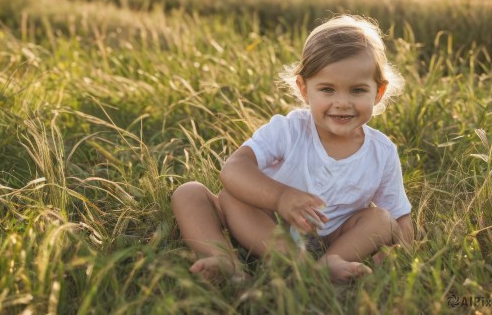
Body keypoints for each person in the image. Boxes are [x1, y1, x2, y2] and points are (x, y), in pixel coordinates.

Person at [171, 15, 414, 284]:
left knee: (380, 219)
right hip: (263, 224)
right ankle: (221, 256)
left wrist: (399, 250)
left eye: (357, 90)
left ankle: (332, 261)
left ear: (378, 92)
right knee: (193, 193)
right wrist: (280, 198)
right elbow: (234, 169)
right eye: (327, 89)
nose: (342, 103)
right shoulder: (288, 130)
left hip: (333, 237)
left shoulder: (382, 151)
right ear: (304, 89)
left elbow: (398, 215)